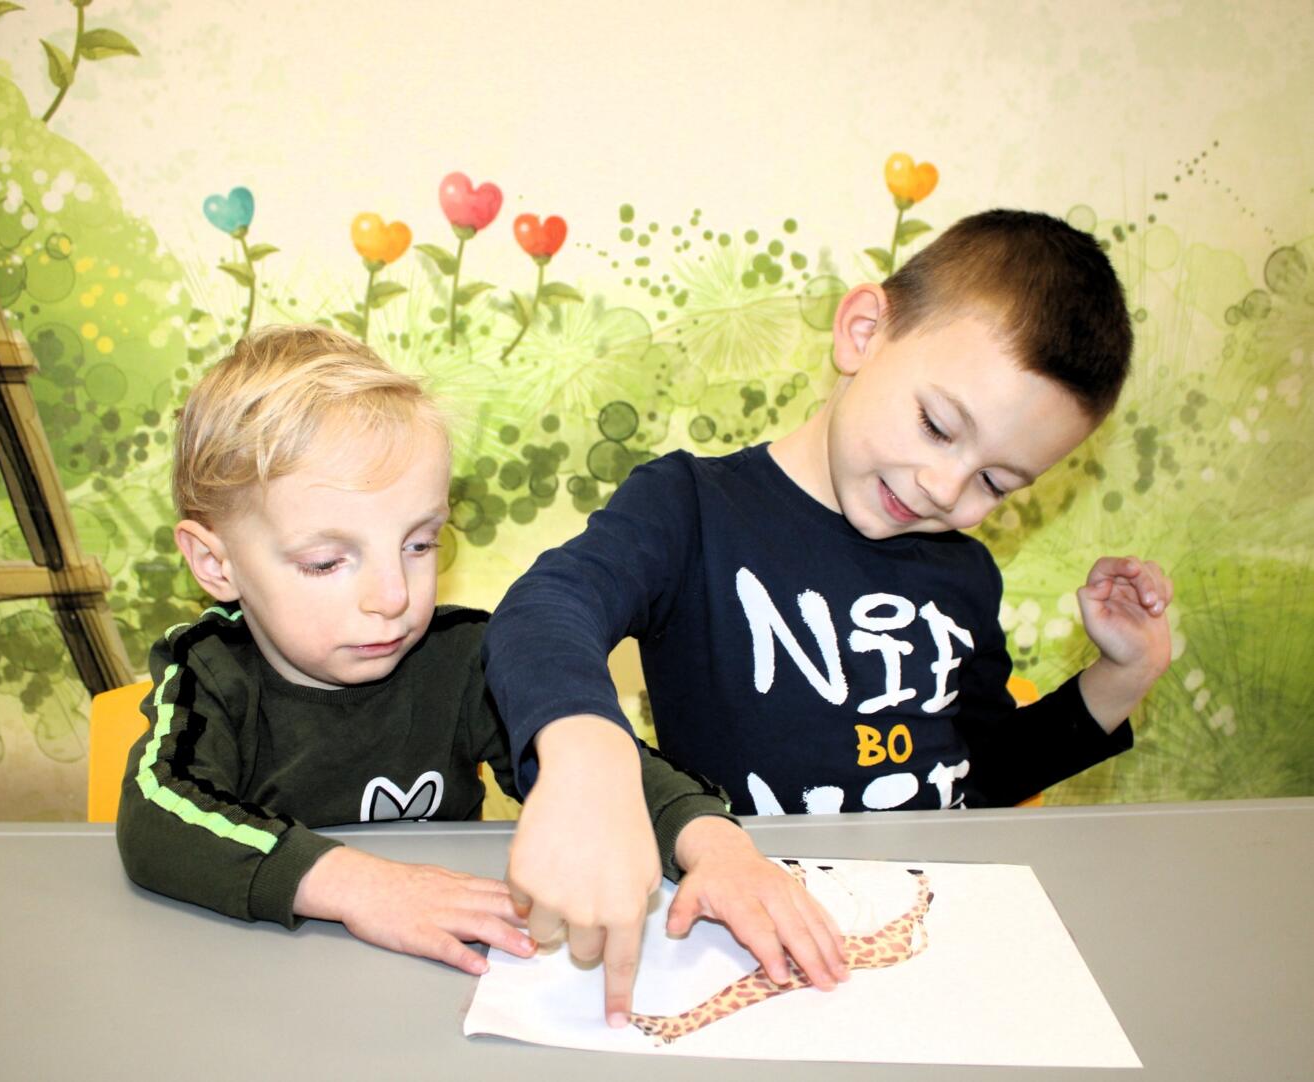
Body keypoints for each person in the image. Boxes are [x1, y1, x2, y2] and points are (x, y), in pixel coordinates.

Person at [483, 209, 1175, 1024]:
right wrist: (587, 759)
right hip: (746, 948)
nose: (945, 489)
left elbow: (982, 775)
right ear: (863, 332)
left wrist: (1123, 677)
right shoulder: (691, 509)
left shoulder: (964, 575)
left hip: (921, 950)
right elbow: (546, 608)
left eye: (996, 482)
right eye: (937, 426)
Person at [116, 325, 849, 988]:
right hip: (266, 986)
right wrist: (363, 888)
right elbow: (155, 818)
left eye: (419, 544)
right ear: (215, 564)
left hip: (442, 986)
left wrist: (714, 845)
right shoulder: (208, 670)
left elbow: (593, 779)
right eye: (326, 562)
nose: (393, 596)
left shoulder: (460, 655)